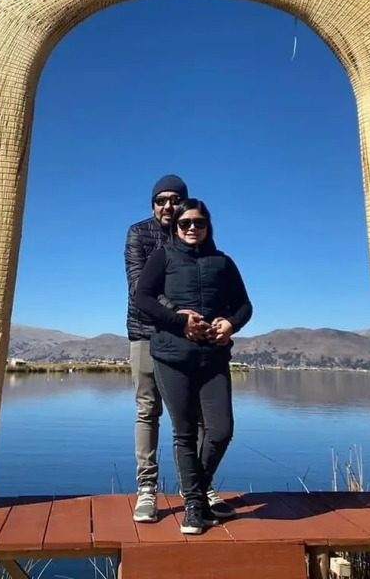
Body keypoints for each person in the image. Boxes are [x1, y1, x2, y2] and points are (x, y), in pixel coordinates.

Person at [134, 198, 252, 534]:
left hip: (213, 357)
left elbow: (245, 306)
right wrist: (179, 321)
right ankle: (194, 509)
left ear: (207, 225)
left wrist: (230, 324)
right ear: (175, 227)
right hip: (172, 356)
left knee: (221, 430)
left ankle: (195, 494)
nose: (191, 228)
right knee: (184, 432)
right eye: (184, 223)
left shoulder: (223, 262)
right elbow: (143, 298)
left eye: (198, 222)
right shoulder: (163, 257)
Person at [125, 174, 190, 523]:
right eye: (161, 200)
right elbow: (139, 287)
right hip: (145, 333)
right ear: (153, 205)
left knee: (188, 412)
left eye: (174, 199)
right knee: (148, 410)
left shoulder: (192, 232)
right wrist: (178, 313)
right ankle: (147, 489)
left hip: (184, 336)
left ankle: (194, 488)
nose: (168, 205)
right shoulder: (138, 234)